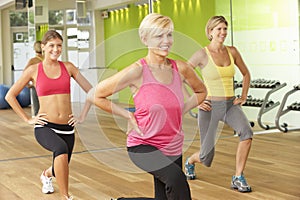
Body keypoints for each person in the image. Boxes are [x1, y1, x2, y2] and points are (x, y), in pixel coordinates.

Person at [88, 13, 207, 200]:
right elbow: (95, 95)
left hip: (173, 145)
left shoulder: (180, 69)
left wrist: (183, 108)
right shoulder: (137, 71)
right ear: (145, 39)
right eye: (159, 36)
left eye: (169, 35)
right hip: (143, 145)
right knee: (177, 180)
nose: (166, 41)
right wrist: (127, 115)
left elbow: (201, 91)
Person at [5, 30, 93, 200]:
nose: (56, 49)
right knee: (60, 151)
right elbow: (10, 95)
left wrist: (82, 116)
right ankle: (66, 196)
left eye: (59, 45)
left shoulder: (68, 67)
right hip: (45, 126)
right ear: (43, 47)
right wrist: (28, 119)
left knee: (61, 164)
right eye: (51, 45)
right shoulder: (33, 70)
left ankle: (46, 175)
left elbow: (92, 91)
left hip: (67, 128)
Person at [184, 15, 253, 193]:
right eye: (219, 29)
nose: (223, 32)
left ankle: (238, 176)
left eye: (225, 29)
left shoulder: (233, 51)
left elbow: (246, 74)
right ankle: (190, 161)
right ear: (210, 32)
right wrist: (195, 100)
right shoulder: (202, 54)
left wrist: (243, 96)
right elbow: (182, 76)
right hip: (210, 107)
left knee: (246, 133)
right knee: (206, 157)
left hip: (230, 104)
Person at [24, 41, 44, 116]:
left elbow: (24, 73)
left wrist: (27, 84)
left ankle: (38, 124)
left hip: (36, 86)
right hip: (44, 86)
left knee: (37, 109)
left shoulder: (33, 61)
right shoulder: (47, 60)